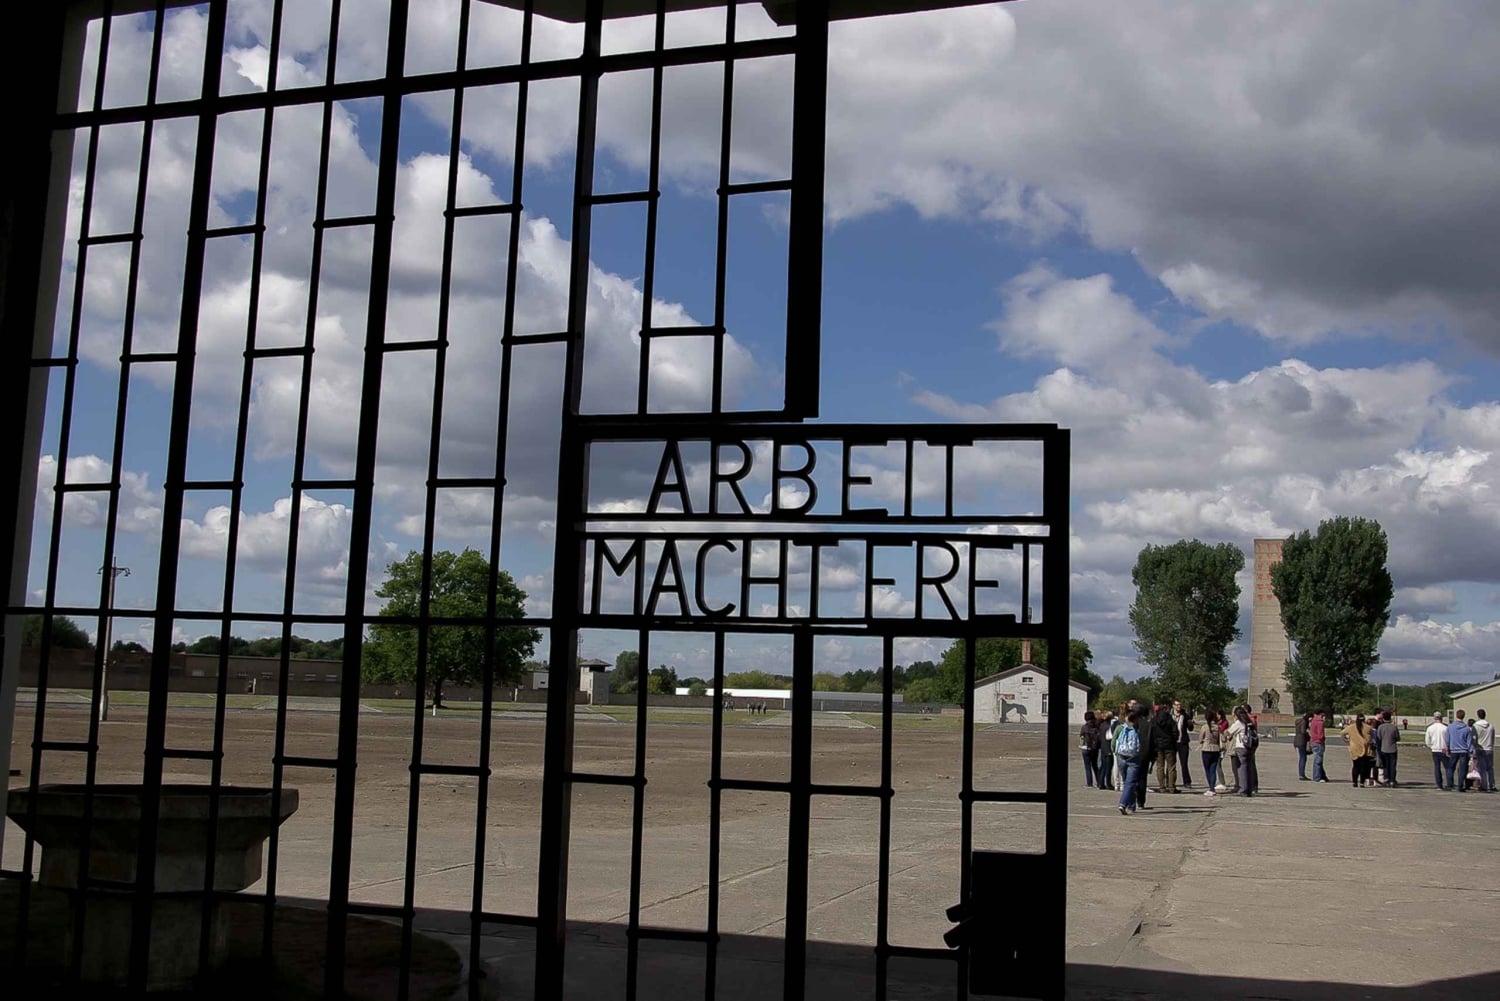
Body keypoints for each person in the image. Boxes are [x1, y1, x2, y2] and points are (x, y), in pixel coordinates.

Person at [1116, 708, 1146, 815]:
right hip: (1133, 759)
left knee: (1127, 782)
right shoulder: (1137, 729)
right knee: (1130, 783)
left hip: (1121, 757)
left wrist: (1116, 752)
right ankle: (1123, 803)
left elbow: (1115, 741)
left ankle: (1131, 805)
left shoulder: (1120, 728)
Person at [1227, 707, 1257, 796]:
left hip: (1241, 747)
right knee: (1249, 768)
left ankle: (1243, 789)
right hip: (1250, 747)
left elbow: (1229, 732)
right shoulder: (1249, 723)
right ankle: (1249, 788)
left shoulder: (1239, 723)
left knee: (1241, 769)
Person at [1151, 704, 1179, 793]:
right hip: (1170, 746)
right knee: (1171, 767)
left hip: (1158, 746)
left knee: (1160, 766)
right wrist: (1173, 740)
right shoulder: (1170, 720)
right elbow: (1175, 733)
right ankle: (1171, 786)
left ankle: (1161, 787)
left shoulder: (1154, 721)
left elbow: (1152, 733)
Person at [1340, 713, 1374, 787]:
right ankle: (1362, 782)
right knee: (1364, 767)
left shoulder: (1351, 727)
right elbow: (1372, 737)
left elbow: (1342, 733)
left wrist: (1347, 741)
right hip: (1365, 749)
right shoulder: (1368, 728)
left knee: (1355, 766)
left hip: (1354, 748)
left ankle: (1354, 782)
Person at [1446, 710, 1474, 792]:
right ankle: (1460, 786)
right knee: (1462, 769)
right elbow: (1469, 742)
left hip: (1454, 750)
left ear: (1456, 715)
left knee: (1450, 768)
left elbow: (1447, 739)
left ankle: (1449, 784)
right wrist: (1471, 751)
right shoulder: (1467, 729)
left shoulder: (1450, 727)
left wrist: (1447, 748)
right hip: (1464, 751)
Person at [1199, 709, 1222, 797]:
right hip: (1216, 749)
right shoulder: (1218, 727)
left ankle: (1211, 788)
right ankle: (1212, 787)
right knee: (1213, 769)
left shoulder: (1205, 727)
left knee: (1207, 770)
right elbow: (1221, 738)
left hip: (1206, 749)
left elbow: (1201, 739)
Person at [1374, 711, 1400, 787]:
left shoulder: (1380, 727)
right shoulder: (1394, 727)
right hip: (1392, 749)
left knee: (1385, 765)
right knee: (1392, 765)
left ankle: (1386, 779)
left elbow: (1378, 738)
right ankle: (1392, 780)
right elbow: (1397, 738)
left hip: (1383, 748)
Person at [1172, 699, 1194, 788]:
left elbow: (1190, 729)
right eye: (1177, 705)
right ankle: (1170, 781)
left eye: (1180, 705)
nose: (1179, 707)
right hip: (1172, 742)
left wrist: (1190, 723)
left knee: (1184, 763)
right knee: (1171, 763)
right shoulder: (1169, 715)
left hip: (1183, 742)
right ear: (1173, 705)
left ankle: (1187, 781)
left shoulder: (1185, 715)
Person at [1425, 711, 1450, 789]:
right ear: (1441, 718)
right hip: (1443, 749)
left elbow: (1427, 741)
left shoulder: (1430, 728)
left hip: (1435, 749)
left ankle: (1439, 784)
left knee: (1437, 767)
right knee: (1448, 767)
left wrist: (1431, 746)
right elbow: (1448, 739)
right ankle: (1449, 783)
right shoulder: (1446, 728)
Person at [1473, 708, 1495, 793]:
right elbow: (1492, 738)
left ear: (1478, 715)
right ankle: (1492, 784)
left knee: (1482, 769)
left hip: (1480, 749)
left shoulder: (1476, 726)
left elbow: (1474, 739)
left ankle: (1484, 785)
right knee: (1490, 768)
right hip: (1489, 748)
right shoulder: (1491, 726)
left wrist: (1474, 749)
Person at [1080, 711, 1103, 788]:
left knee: (1087, 766)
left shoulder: (1084, 727)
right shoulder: (1097, 727)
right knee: (1095, 766)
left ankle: (1089, 783)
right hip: (1095, 748)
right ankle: (1099, 782)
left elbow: (1082, 737)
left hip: (1086, 748)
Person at [1097, 711, 1117, 791]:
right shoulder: (1110, 726)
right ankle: (1108, 783)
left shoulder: (1101, 725)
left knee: (1103, 766)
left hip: (1103, 748)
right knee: (1108, 767)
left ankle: (1100, 782)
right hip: (1108, 747)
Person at [1309, 709, 1329, 782]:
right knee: (1318, 760)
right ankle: (1317, 777)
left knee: (1317, 760)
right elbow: (1320, 734)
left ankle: (1321, 775)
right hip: (1318, 742)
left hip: (1313, 741)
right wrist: (1323, 738)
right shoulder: (1320, 723)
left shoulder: (1313, 721)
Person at [1294, 711, 1312, 780]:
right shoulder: (1304, 721)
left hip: (1297, 740)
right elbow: (1303, 731)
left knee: (1301, 757)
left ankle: (1301, 773)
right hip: (1302, 740)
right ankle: (1302, 774)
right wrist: (1308, 735)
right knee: (1303, 758)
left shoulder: (1298, 721)